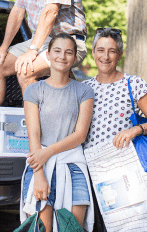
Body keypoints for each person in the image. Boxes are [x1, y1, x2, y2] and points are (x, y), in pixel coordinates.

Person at [82, 27, 147, 231]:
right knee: (96, 225)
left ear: (119, 55)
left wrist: (135, 129)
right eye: (100, 50)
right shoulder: (84, 88)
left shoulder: (133, 84)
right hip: (91, 167)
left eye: (112, 51)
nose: (105, 56)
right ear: (93, 53)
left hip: (123, 169)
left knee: (127, 225)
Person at [21, 33, 94, 232]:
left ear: (74, 58)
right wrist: (39, 175)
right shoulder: (34, 90)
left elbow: (80, 135)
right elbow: (34, 134)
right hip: (40, 165)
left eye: (68, 52)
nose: (62, 56)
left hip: (72, 165)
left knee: (72, 228)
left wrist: (47, 152)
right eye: (57, 51)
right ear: (48, 54)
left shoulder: (84, 91)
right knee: (42, 228)